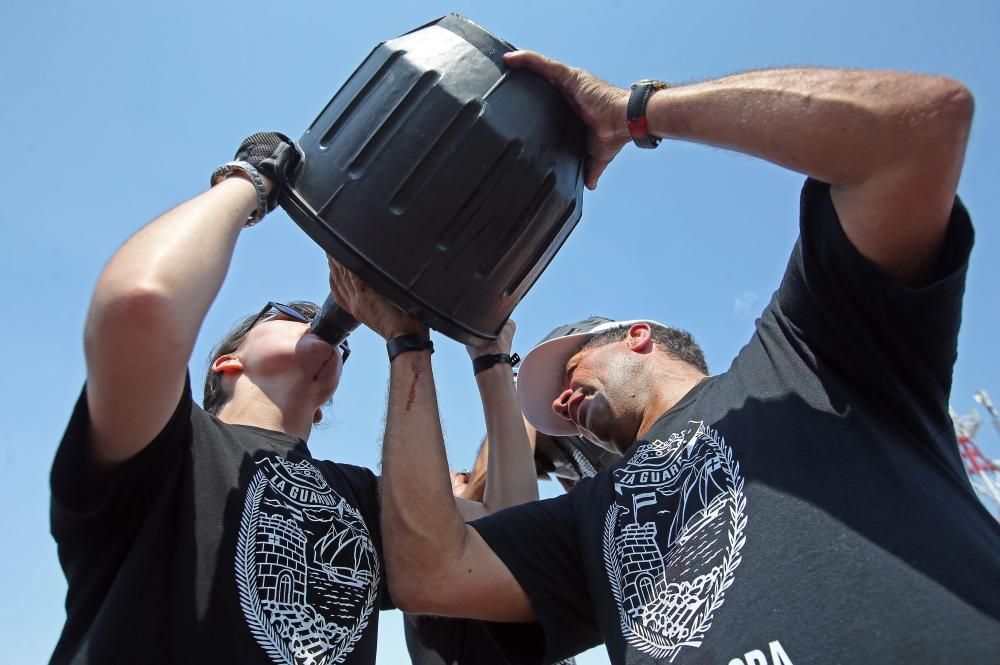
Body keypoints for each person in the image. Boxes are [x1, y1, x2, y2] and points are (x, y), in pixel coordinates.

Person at [328, 48, 1000, 664]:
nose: (562, 405)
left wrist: (636, 112)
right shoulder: (593, 522)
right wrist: (406, 338)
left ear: (637, 335)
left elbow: (919, 128)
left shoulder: (809, 361)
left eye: (568, 374)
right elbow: (429, 570)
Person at [47, 133, 532, 664]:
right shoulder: (168, 446)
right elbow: (143, 306)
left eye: (344, 349)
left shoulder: (361, 500)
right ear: (228, 362)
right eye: (290, 315)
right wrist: (250, 181)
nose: (327, 333)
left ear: (324, 406)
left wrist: (489, 360)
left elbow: (510, 527)